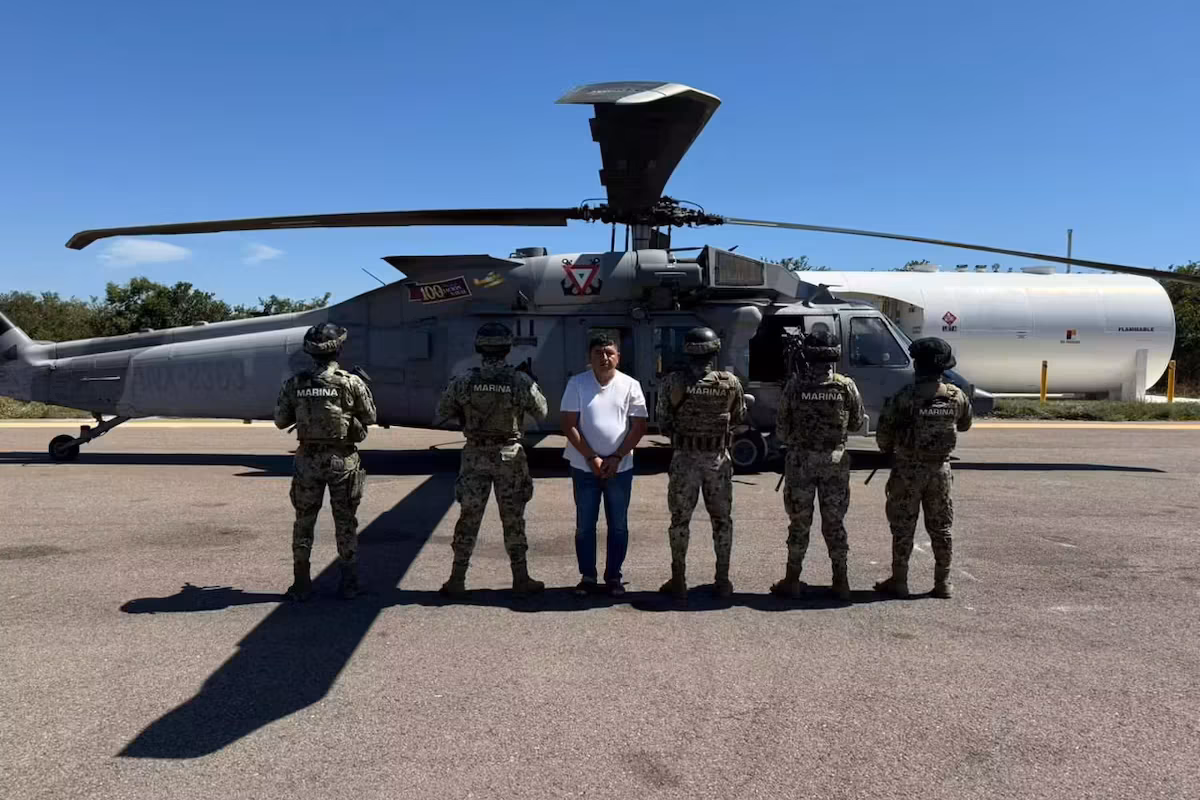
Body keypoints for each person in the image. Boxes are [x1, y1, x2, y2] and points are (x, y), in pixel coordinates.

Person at [437, 322, 549, 598]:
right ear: (508, 348)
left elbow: (442, 411)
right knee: (513, 520)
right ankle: (521, 579)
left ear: (478, 348)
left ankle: (457, 580)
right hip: (509, 456)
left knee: (468, 518)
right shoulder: (519, 381)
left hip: (475, 455)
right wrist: (531, 381)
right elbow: (542, 412)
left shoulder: (464, 380)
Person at [273, 323, 377, 601]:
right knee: (345, 521)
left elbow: (281, 421)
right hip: (342, 460)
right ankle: (349, 584)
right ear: (338, 349)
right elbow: (370, 417)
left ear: (309, 351)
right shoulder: (350, 382)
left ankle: (301, 584)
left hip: (307, 460)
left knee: (304, 521)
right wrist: (363, 388)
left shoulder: (296, 383)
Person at [873, 337, 972, 599]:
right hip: (940, 471)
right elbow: (964, 425)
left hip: (908, 470)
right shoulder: (956, 396)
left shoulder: (904, 397)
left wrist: (893, 447)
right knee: (941, 527)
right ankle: (943, 583)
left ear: (917, 365)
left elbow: (883, 438)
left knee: (903, 526)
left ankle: (900, 580)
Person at [770, 329, 865, 601]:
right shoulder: (845, 386)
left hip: (800, 462)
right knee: (834, 522)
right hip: (834, 462)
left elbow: (781, 430)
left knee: (800, 522)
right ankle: (841, 581)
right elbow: (858, 422)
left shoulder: (795, 385)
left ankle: (792, 580)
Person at [655, 326, 747, 600]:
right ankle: (722, 581)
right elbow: (739, 417)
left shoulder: (673, 382)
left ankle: (679, 580)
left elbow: (663, 422)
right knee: (721, 521)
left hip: (685, 460)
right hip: (717, 461)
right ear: (715, 351)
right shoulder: (730, 382)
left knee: (680, 521)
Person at [560, 333, 648, 597]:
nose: (604, 357)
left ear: (618, 357)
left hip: (620, 468)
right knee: (585, 525)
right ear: (590, 357)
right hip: (584, 467)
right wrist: (592, 457)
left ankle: (613, 577)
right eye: (598, 352)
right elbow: (568, 424)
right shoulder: (577, 383)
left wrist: (616, 457)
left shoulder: (631, 385)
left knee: (618, 525)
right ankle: (588, 577)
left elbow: (639, 426)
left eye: (609, 352)